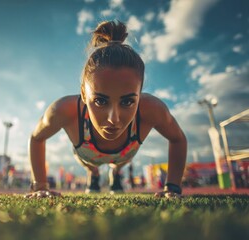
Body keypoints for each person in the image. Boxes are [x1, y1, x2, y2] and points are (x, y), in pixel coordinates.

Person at [25, 19, 187, 199]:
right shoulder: (64, 110)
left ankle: (115, 173)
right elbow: (37, 137)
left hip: (123, 157)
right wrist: (39, 186)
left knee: (118, 164)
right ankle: (93, 174)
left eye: (127, 102)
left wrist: (172, 187)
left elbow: (178, 139)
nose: (114, 119)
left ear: (140, 95)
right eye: (101, 101)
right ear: (84, 95)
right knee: (91, 166)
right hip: (88, 157)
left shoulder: (152, 109)